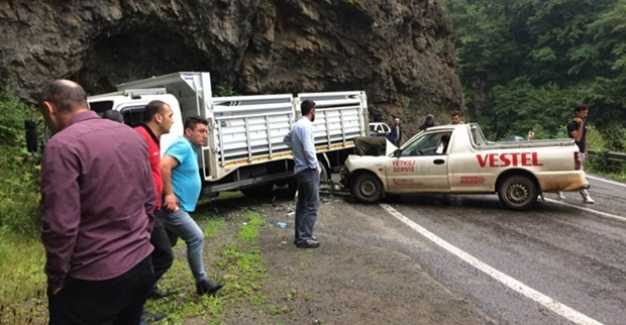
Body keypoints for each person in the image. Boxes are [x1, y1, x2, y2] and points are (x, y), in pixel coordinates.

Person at [39, 80, 155, 324]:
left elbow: (61, 225)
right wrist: (141, 240)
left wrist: (56, 277)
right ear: (86, 102)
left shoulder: (61, 146)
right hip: (141, 263)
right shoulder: (130, 135)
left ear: (49, 108)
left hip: (93, 277)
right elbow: (148, 200)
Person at [160, 117, 224, 295]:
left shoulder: (191, 148)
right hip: (172, 207)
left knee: (163, 248)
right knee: (196, 237)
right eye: (201, 131)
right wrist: (169, 194)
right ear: (189, 131)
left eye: (206, 132)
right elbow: (164, 166)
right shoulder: (182, 145)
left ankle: (147, 284)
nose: (205, 135)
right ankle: (202, 282)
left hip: (179, 206)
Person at [134, 100, 175, 300]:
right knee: (164, 255)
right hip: (145, 210)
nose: (173, 121)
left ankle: (146, 291)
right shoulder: (139, 137)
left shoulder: (154, 137)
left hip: (155, 206)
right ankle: (137, 295)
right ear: (158, 117)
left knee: (157, 251)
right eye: (170, 116)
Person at [283, 100, 321, 249]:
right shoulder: (307, 126)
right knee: (312, 205)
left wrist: (295, 150)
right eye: (315, 110)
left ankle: (300, 236)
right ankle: (305, 238)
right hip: (308, 170)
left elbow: (286, 140)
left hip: (299, 169)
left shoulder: (296, 125)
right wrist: (315, 166)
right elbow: (308, 148)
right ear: (312, 110)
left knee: (302, 205)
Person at [558, 104, 594, 204]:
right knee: (580, 173)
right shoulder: (572, 124)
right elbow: (577, 138)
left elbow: (583, 139)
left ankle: (558, 189)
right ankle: (586, 196)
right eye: (584, 112)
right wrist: (581, 124)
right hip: (574, 151)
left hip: (581, 151)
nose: (586, 114)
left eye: (586, 112)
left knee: (570, 173)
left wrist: (585, 151)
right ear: (577, 113)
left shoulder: (583, 123)